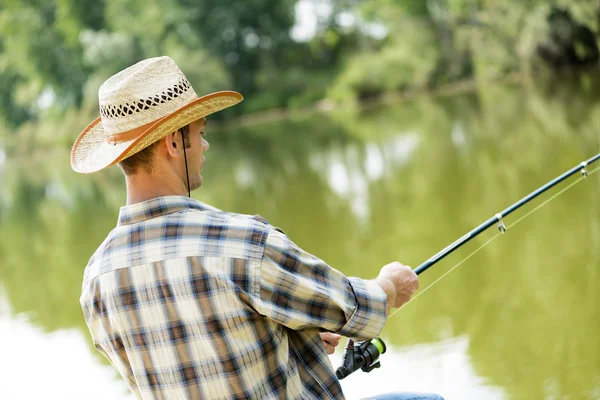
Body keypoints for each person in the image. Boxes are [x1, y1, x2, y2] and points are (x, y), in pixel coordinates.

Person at [72, 56, 444, 400]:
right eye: (199, 132)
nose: (205, 145)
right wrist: (391, 285)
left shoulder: (96, 281)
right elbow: (354, 307)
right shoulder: (242, 243)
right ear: (173, 142)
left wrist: (301, 336)